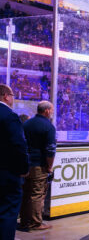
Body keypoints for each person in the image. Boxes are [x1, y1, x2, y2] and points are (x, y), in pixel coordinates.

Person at [19, 101, 56, 231]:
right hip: (38, 165)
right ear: (46, 111)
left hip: (25, 164)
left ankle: (24, 221)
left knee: (26, 194)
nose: (52, 112)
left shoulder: (27, 123)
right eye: (51, 110)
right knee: (37, 194)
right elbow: (50, 150)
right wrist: (49, 167)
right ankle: (35, 223)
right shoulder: (48, 126)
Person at [0, 84, 29, 240]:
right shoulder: (9, 115)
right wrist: (24, 168)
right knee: (8, 212)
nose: (13, 98)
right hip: (7, 173)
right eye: (12, 95)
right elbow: (19, 145)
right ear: (6, 95)